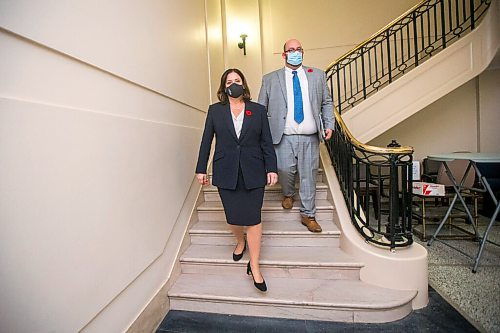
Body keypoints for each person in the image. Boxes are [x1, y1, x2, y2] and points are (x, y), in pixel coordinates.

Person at [195, 68, 278, 292]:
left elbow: (266, 142)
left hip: (254, 170)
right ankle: (240, 241)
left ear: (244, 84)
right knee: (233, 218)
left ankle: (255, 266)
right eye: (229, 81)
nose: (234, 84)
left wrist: (271, 167)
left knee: (253, 218)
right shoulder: (215, 111)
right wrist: (201, 168)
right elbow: (206, 141)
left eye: (237, 80)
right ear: (224, 87)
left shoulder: (257, 110)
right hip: (226, 170)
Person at [258, 39, 334, 233]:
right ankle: (288, 193)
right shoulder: (270, 79)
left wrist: (329, 124)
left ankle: (308, 215)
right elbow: (261, 109)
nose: (295, 52)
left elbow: (326, 102)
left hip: (310, 136)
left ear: (303, 52)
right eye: (291, 50)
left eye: (298, 49)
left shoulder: (317, 75)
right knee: (284, 169)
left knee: (309, 175)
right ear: (284, 55)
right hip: (283, 136)